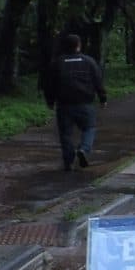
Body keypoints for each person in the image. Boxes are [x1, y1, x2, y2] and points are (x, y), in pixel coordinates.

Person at [40, 33, 108, 171]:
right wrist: (103, 98)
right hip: (85, 103)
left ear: (64, 46)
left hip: (64, 104)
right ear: (79, 45)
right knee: (89, 128)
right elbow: (98, 80)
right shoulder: (88, 61)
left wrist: (50, 101)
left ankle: (68, 162)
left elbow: (49, 84)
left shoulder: (57, 63)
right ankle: (84, 148)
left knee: (66, 133)